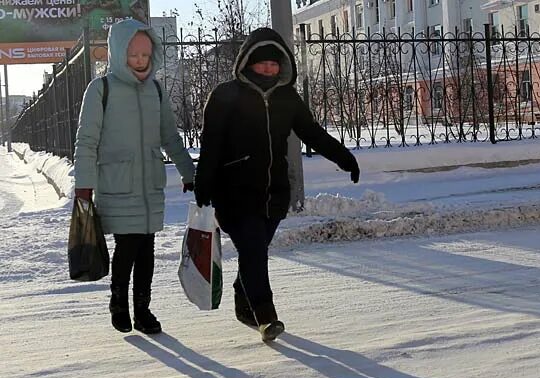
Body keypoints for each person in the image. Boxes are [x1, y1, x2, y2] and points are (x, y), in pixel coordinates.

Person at [193, 27, 360, 343]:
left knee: (255, 252)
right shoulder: (225, 96)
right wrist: (204, 185)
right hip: (235, 195)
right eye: (262, 62)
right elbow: (211, 144)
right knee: (254, 250)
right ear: (247, 63)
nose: (269, 68)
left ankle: (244, 296)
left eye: (274, 63)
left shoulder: (287, 98)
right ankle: (265, 314)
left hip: (274, 194)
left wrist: (344, 157)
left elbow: (312, 133)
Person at [73, 19, 196, 334]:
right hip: (118, 184)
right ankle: (118, 301)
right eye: (133, 55)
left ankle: (143, 308)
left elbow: (170, 136)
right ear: (117, 53)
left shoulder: (155, 90)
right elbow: (86, 142)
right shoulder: (101, 90)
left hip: (149, 185)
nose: (141, 61)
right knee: (127, 246)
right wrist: (84, 187)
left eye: (145, 55)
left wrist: (189, 172)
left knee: (147, 248)